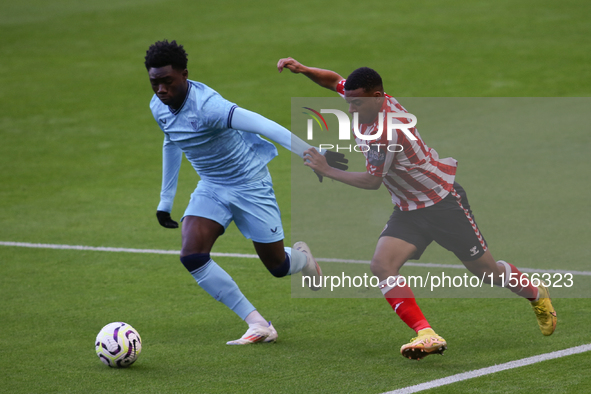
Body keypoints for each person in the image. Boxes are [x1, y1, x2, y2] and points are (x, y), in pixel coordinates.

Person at [277, 57, 557, 360]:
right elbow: (334, 80)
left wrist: (326, 168)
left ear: (376, 97)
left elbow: (372, 182)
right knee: (382, 265)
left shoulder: (386, 131)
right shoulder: (368, 99)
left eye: (356, 104)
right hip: (409, 209)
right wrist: (305, 70)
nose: (350, 109)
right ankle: (426, 333)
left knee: (486, 272)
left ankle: (535, 293)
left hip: (443, 203)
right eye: (348, 101)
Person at [144, 40, 348, 345]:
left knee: (277, 266)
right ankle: (258, 324)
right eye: (154, 83)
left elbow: (266, 126)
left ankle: (303, 259)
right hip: (212, 186)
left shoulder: (210, 107)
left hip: (250, 185)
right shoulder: (158, 106)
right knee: (192, 255)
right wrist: (165, 201)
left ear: (184, 75)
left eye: (167, 82)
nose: (161, 90)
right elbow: (171, 140)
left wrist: (314, 155)